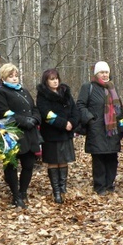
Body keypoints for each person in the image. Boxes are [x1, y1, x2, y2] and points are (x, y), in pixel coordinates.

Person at [0, 63, 41, 208]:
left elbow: (34, 109)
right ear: (3, 78)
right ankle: (15, 195)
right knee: (11, 166)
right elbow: (4, 113)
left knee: (28, 165)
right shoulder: (0, 92)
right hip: (12, 134)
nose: (14, 79)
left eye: (16, 75)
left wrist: (35, 119)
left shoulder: (24, 91)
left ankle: (23, 191)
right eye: (10, 76)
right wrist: (24, 121)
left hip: (30, 133)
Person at [76, 61, 123, 196]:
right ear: (96, 74)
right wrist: (91, 119)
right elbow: (80, 105)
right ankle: (100, 186)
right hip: (96, 129)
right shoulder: (88, 87)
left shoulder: (112, 88)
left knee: (112, 157)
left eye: (106, 72)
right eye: (102, 72)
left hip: (113, 130)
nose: (104, 75)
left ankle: (110, 184)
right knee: (99, 158)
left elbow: (119, 109)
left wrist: (121, 126)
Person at [36, 68, 80, 204]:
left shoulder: (65, 93)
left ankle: (63, 187)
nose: (55, 81)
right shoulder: (43, 95)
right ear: (46, 81)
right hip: (51, 134)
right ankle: (56, 190)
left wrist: (72, 123)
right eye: (51, 79)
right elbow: (46, 114)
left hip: (66, 132)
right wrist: (63, 123)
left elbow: (75, 110)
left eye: (56, 78)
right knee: (53, 161)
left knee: (64, 160)